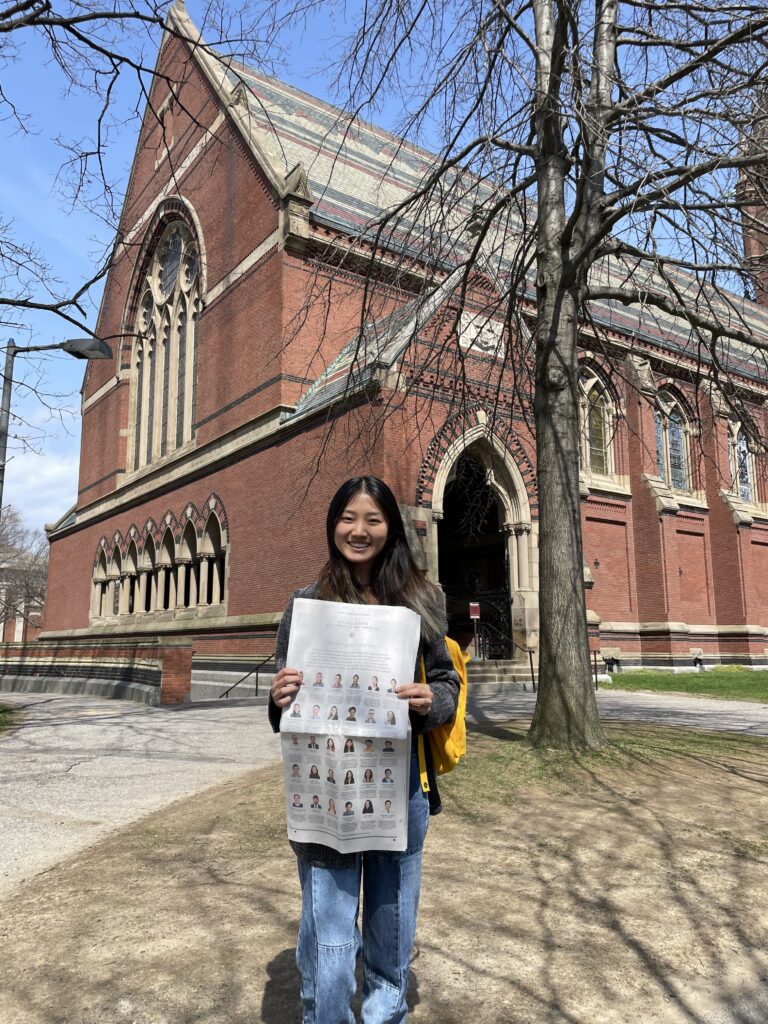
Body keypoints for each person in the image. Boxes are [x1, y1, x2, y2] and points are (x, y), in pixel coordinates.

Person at [269, 475, 459, 1024]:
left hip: (401, 790)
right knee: (330, 942)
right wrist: (279, 697)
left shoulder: (421, 598)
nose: (359, 530)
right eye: (348, 518)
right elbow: (286, 705)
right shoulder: (306, 603)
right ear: (332, 527)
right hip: (325, 790)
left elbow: (447, 682)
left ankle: (382, 1016)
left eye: (372, 519)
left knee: (390, 930)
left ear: (390, 528)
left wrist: (433, 699)